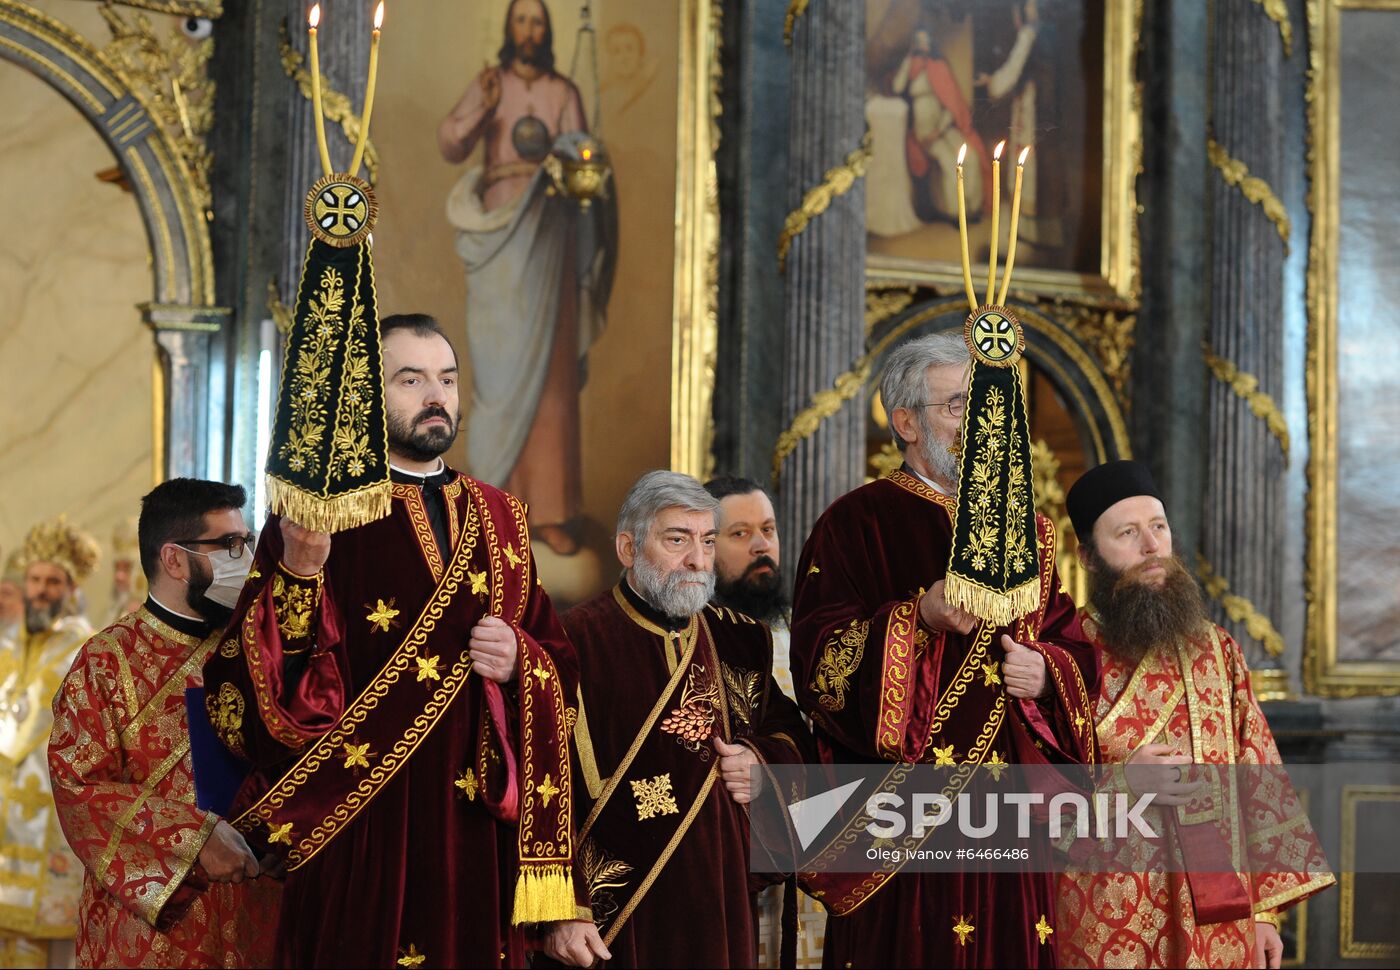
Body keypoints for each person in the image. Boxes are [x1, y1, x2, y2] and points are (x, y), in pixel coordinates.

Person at [202, 314, 599, 967]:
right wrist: (299, 572)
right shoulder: (320, 512)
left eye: (446, 378)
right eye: (409, 380)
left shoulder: (502, 515)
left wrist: (519, 660)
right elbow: (260, 688)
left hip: (477, 835)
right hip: (363, 828)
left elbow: (559, 663)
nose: (435, 396)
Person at [789, 331, 1100, 968]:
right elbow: (820, 667)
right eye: (960, 406)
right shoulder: (856, 521)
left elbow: (1073, 644)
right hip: (902, 823)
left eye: (991, 406)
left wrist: (1045, 674)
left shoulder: (1029, 532)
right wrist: (917, 619)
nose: (983, 424)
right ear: (905, 421)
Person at [1055, 461, 1335, 969]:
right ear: (1089, 558)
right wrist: (1122, 782)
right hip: (1102, 918)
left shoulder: (1216, 649)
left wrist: (1265, 913)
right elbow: (1028, 788)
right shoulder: (1061, 655)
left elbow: (1259, 775)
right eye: (1127, 533)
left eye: (1158, 527)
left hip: (1218, 918)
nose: (1151, 547)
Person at [544, 471, 812, 968]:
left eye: (707, 541)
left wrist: (758, 760)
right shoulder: (571, 642)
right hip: (616, 916)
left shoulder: (741, 639)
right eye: (677, 540)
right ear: (628, 548)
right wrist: (564, 908)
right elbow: (541, 786)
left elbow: (792, 736)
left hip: (723, 894)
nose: (697, 560)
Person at [47, 479, 280, 968]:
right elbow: (78, 785)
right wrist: (194, 839)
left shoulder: (260, 647)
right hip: (150, 931)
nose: (247, 560)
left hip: (261, 908)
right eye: (230, 546)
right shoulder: (106, 661)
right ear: (174, 560)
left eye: (249, 541)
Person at [439, 0, 614, 556]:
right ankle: (497, 501)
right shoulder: (491, 83)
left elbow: (584, 155)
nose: (530, 31)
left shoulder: (564, 92)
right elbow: (451, 143)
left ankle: (554, 510)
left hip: (549, 231)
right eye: (522, 20)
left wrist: (579, 152)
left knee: (552, 376)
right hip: (498, 234)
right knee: (498, 370)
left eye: (538, 22)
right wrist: (480, 105)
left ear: (548, 31)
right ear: (510, 29)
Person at [0, 516, 99, 968]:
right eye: (35, 579)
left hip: (51, 821)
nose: (40, 589)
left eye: (52, 581)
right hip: (6, 814)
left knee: (49, 948)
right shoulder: (8, 646)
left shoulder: (87, 649)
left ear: (70, 588)